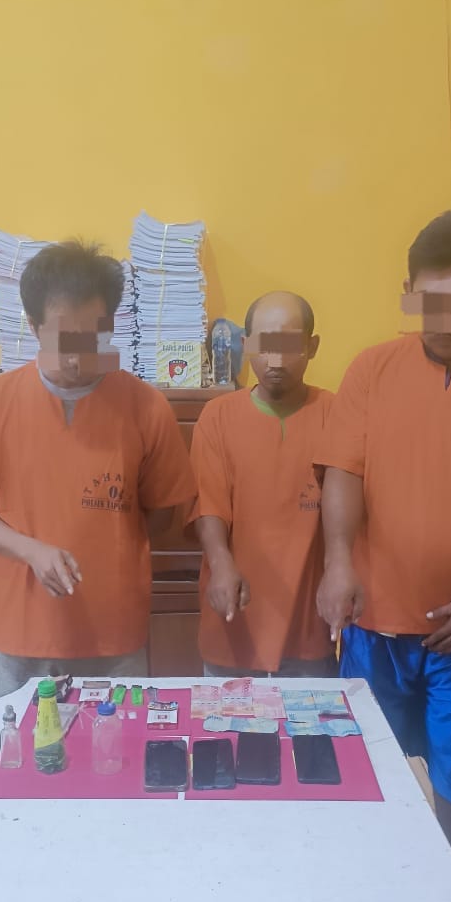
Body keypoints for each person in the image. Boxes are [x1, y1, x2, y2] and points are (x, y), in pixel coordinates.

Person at [316, 208, 451, 871]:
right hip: (374, 622)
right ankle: (379, 878)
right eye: (431, 302)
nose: (446, 320)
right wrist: (337, 564)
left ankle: (449, 882)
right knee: (368, 759)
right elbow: (344, 473)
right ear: (409, 294)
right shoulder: (373, 369)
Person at [0, 240, 195, 696]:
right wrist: (30, 550)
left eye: (92, 338)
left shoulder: (146, 407)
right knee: (24, 738)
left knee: (121, 736)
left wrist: (105, 543)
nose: (78, 357)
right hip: (23, 631)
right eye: (64, 340)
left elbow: (162, 515)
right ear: (34, 326)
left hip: (113, 634)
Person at [188, 290, 336, 677]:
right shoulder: (217, 416)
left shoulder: (335, 415)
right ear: (245, 343)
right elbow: (208, 504)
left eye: (290, 346)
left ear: (312, 347)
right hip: (233, 618)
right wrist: (220, 564)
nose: (276, 361)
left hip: (309, 627)